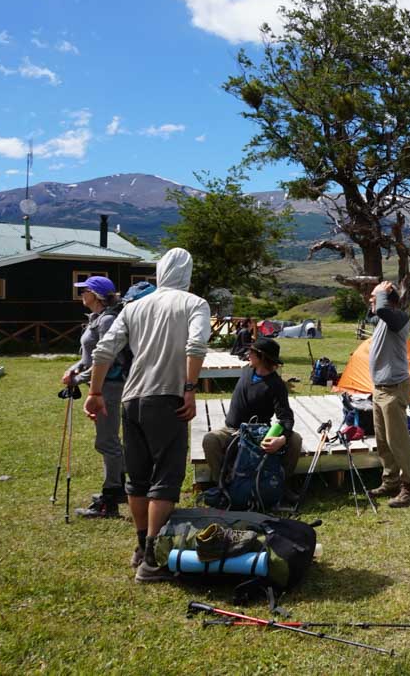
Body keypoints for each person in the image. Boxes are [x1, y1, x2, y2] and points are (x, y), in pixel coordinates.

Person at [84, 248, 211, 583]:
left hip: (132, 399)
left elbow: (103, 349)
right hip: (167, 399)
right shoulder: (194, 304)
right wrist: (189, 387)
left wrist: (95, 392)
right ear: (188, 274)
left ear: (158, 272)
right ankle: (153, 561)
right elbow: (196, 346)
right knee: (165, 477)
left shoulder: (134, 307)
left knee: (137, 477)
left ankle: (140, 546)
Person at [201, 336, 302, 500]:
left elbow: (286, 418)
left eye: (252, 351)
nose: (248, 353)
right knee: (210, 440)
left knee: (295, 440)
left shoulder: (276, 384)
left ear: (262, 357)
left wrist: (281, 439)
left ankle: (280, 484)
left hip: (257, 433)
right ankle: (224, 484)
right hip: (233, 430)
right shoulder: (248, 369)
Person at [63, 276, 127, 519]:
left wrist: (79, 379)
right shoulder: (97, 319)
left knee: (106, 441)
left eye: (84, 291)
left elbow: (108, 360)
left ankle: (109, 500)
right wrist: (74, 369)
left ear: (97, 295)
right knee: (108, 439)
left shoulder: (108, 320)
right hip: (101, 385)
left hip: (109, 386)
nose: (81, 295)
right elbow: (89, 356)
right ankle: (118, 489)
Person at [366, 281, 410, 508]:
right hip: (379, 388)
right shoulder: (383, 320)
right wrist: (378, 296)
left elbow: (382, 310)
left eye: (374, 297)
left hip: (393, 388)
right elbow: (372, 315)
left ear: (389, 301)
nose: (371, 300)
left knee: (397, 441)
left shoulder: (400, 318)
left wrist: (381, 294)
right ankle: (391, 481)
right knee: (382, 440)